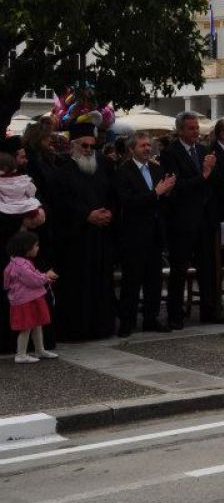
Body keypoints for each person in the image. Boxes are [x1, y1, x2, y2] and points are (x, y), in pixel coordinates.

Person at [49, 121, 117, 340]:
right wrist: (86, 215)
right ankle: (77, 330)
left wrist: (109, 213)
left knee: (101, 283)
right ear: (73, 146)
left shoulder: (103, 168)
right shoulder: (62, 173)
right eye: (84, 146)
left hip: (101, 237)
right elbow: (60, 204)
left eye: (92, 146)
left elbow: (114, 195)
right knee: (78, 285)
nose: (88, 150)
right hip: (76, 240)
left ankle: (101, 327)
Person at [160, 111, 224, 326]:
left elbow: (214, 182)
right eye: (191, 128)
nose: (196, 132)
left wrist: (212, 170)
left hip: (204, 219)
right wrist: (203, 175)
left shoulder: (203, 150)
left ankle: (209, 311)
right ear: (180, 130)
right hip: (182, 220)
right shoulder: (170, 153)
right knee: (179, 268)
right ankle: (175, 314)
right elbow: (176, 186)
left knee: (207, 267)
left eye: (197, 128)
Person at [113, 132, 176, 335]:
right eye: (142, 146)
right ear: (132, 149)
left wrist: (167, 192)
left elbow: (162, 200)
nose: (147, 149)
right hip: (134, 233)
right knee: (132, 279)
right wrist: (156, 193)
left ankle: (151, 318)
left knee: (154, 279)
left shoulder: (157, 169)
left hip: (155, 231)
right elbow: (128, 201)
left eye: (149, 145)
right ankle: (127, 321)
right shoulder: (124, 172)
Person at [4, 230, 58, 363]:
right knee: (26, 327)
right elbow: (33, 280)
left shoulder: (17, 262)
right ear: (27, 247)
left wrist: (43, 277)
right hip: (26, 301)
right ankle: (21, 355)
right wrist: (46, 276)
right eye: (36, 245)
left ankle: (39, 350)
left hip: (29, 299)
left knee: (36, 324)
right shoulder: (21, 265)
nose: (38, 248)